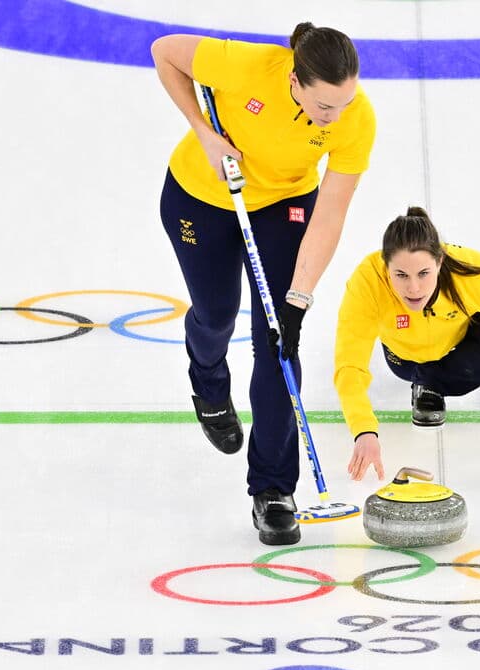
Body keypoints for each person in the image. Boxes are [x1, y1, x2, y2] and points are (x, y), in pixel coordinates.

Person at [151, 23, 376, 546]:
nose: (335, 116)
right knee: (216, 315)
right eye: (324, 106)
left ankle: (273, 489)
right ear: (295, 80)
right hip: (200, 195)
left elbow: (331, 214)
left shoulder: (355, 119)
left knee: (278, 341)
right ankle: (208, 384)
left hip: (284, 205)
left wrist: (299, 297)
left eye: (344, 103)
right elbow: (165, 53)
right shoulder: (249, 66)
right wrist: (203, 131)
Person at [335, 207, 480, 481]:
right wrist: (364, 430)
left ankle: (434, 383)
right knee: (414, 364)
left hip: (457, 350)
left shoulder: (472, 274)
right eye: (401, 275)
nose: (414, 289)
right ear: (386, 267)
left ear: (440, 261)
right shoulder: (367, 282)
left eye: (423, 273)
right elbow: (350, 365)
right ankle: (426, 381)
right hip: (406, 361)